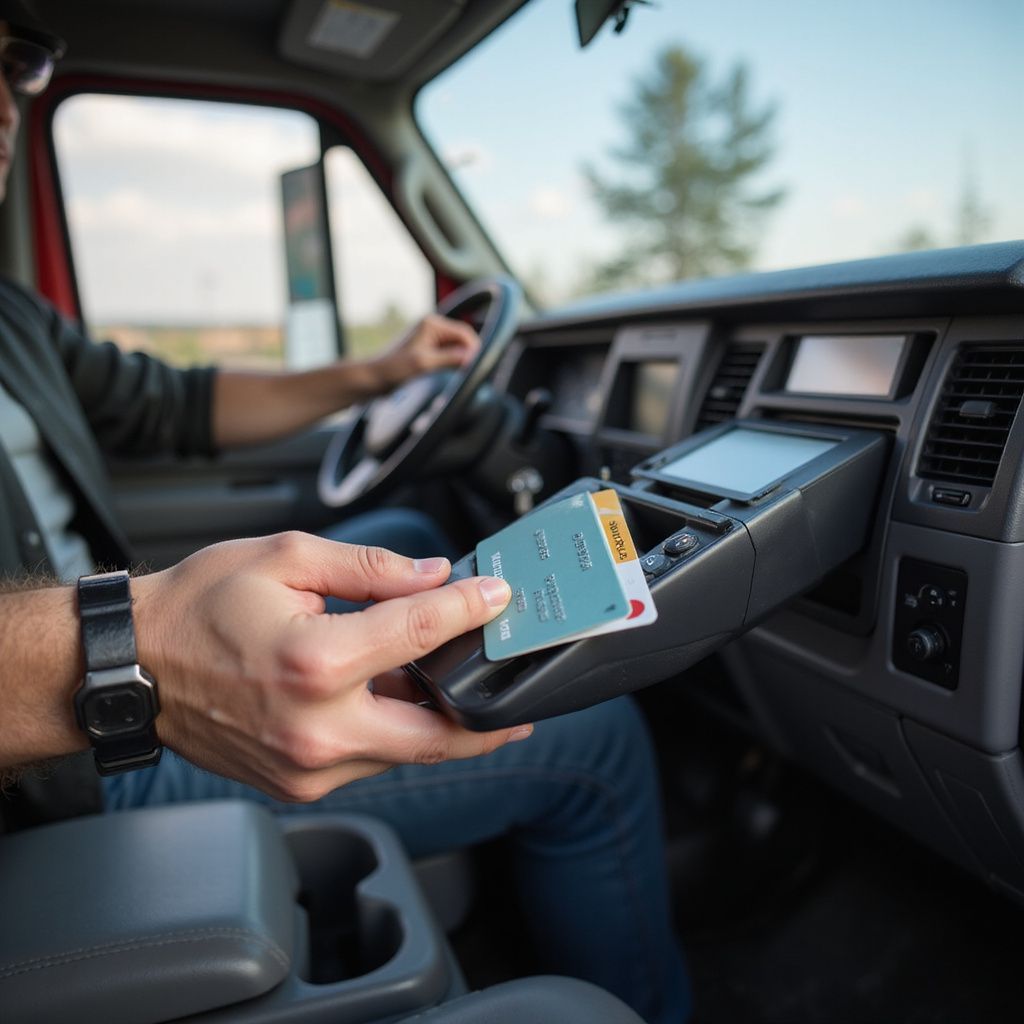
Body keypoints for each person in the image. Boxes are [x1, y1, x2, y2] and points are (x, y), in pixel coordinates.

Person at [0, 4, 691, 1022]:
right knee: (594, 737)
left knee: (412, 542)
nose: (7, 97)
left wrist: (382, 370)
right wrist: (133, 655)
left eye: (11, 58)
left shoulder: (11, 318)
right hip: (60, 773)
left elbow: (177, 403)